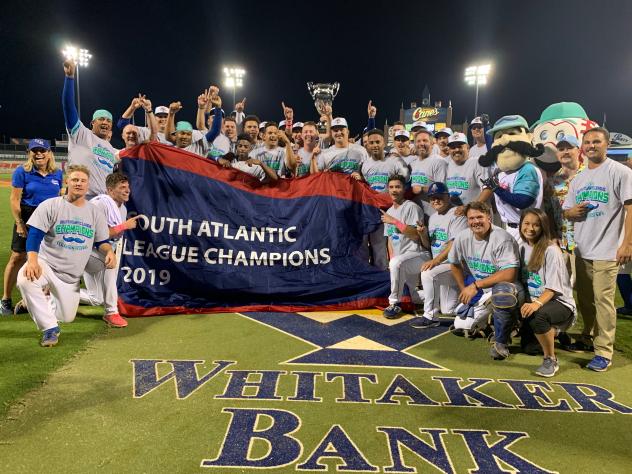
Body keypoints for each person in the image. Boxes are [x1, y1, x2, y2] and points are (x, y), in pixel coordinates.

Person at [16, 165, 114, 347]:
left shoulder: (95, 212)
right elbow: (35, 235)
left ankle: (35, 302)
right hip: (47, 264)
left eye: (83, 181)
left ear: (88, 185)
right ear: (67, 181)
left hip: (71, 277)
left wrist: (109, 252)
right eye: (75, 179)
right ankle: (49, 329)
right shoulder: (51, 205)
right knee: (25, 279)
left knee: (66, 317)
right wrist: (32, 261)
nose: (79, 183)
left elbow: (102, 242)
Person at [563, 127, 632, 371]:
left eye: (596, 142)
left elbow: (630, 209)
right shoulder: (579, 178)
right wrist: (570, 212)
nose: (591, 146)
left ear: (607, 144)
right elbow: (567, 210)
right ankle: (588, 336)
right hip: (582, 249)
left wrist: (627, 243)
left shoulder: (620, 172)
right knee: (584, 299)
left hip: (608, 249)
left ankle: (604, 351)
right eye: (588, 142)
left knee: (603, 301)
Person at [448, 201, 524, 359]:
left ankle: (503, 338)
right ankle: (497, 323)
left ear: (489, 217)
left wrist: (475, 285)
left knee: (501, 293)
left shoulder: (503, 238)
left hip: (509, 289)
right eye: (471, 218)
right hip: (483, 291)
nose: (475, 221)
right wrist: (464, 288)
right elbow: (454, 263)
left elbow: (510, 274)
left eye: (479, 217)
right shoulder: (463, 237)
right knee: (462, 325)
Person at [1, 139, 63, 315]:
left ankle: (32, 299)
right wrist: (20, 223)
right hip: (27, 217)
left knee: (47, 260)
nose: (39, 154)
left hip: (50, 220)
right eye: (34, 151)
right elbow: (14, 199)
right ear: (29, 153)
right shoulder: (22, 171)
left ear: (49, 152)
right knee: (18, 257)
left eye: (42, 150)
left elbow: (59, 197)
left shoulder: (57, 173)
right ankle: (5, 299)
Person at [79, 173, 142, 328]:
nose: (127, 191)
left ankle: (53, 294)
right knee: (110, 264)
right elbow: (96, 234)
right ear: (110, 191)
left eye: (127, 187)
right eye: (122, 187)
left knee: (96, 298)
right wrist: (124, 226)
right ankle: (111, 312)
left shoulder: (123, 209)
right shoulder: (100, 203)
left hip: (96, 252)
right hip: (82, 250)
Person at [518, 208, 576, 377]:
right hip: (537, 302)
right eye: (527, 223)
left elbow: (552, 288)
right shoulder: (521, 248)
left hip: (560, 303)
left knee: (539, 317)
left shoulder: (551, 250)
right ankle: (552, 332)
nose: (530, 228)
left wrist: (535, 304)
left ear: (543, 227)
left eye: (536, 225)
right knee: (529, 348)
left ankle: (550, 359)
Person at [412, 182, 468, 328]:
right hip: (443, 267)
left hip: (455, 265)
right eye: (432, 198)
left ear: (448, 197)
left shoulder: (457, 214)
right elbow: (427, 245)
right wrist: (422, 233)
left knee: (428, 273)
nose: (435, 200)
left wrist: (435, 261)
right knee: (448, 310)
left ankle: (430, 317)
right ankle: (469, 305)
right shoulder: (432, 218)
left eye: (439, 197)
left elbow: (454, 244)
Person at [62, 59, 118, 199]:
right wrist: (70, 78)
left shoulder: (111, 149)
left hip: (103, 201)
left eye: (109, 121)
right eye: (101, 119)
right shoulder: (81, 134)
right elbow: (69, 107)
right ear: (92, 123)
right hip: (80, 196)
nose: (105, 122)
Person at [357, 129, 408, 269]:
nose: (374, 145)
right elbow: (365, 187)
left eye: (377, 142)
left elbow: (405, 184)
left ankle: (385, 278)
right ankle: (370, 277)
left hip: (391, 211)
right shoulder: (365, 164)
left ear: (384, 142)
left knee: (383, 248)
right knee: (370, 246)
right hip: (372, 210)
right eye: (371, 142)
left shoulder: (395, 161)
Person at [380, 175, 430, 319]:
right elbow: (390, 240)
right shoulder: (388, 212)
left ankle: (394, 303)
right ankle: (438, 296)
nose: (394, 190)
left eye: (398, 187)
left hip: (419, 255)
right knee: (412, 297)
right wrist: (391, 261)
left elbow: (416, 235)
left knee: (397, 263)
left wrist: (395, 222)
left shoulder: (412, 207)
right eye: (391, 187)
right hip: (402, 260)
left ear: (404, 189)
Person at [445, 132, 493, 209]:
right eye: (453, 147)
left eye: (460, 146)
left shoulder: (477, 162)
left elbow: (488, 189)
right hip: (456, 215)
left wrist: (469, 208)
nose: (456, 150)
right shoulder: (448, 165)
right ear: (449, 150)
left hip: (476, 214)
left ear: (467, 147)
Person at [409, 129, 448, 216]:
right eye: (418, 141)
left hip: (435, 213)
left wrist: (422, 189)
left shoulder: (439, 162)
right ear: (415, 144)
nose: (421, 144)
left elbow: (443, 190)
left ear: (432, 143)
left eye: (425, 140)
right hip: (417, 213)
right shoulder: (413, 163)